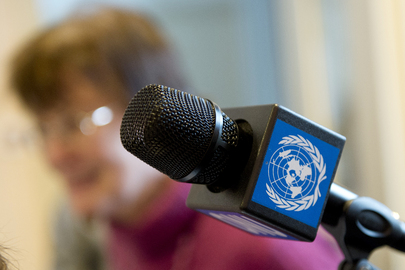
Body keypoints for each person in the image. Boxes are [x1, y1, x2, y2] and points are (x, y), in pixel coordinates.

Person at [10, 7, 343, 270]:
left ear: (153, 117)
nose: (54, 154)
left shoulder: (261, 246)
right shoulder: (113, 230)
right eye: (43, 128)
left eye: (72, 123)